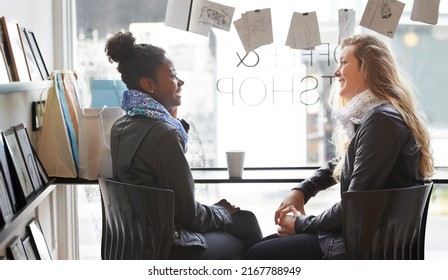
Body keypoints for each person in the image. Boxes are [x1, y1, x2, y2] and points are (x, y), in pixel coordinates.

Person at [246, 33, 434, 260]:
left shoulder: (382, 120)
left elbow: (354, 204)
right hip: (366, 239)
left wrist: (302, 223)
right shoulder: (381, 116)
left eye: (344, 62)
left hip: (361, 246)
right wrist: (304, 190)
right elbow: (346, 163)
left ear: (367, 69)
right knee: (264, 245)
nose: (336, 71)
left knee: (257, 253)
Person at [105, 31, 262, 259]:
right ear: (149, 84)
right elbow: (191, 216)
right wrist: (220, 211)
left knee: (237, 220)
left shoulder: (121, 126)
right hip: (168, 246)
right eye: (172, 75)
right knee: (245, 221)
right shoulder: (164, 133)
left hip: (138, 243)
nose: (181, 81)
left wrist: (172, 121)